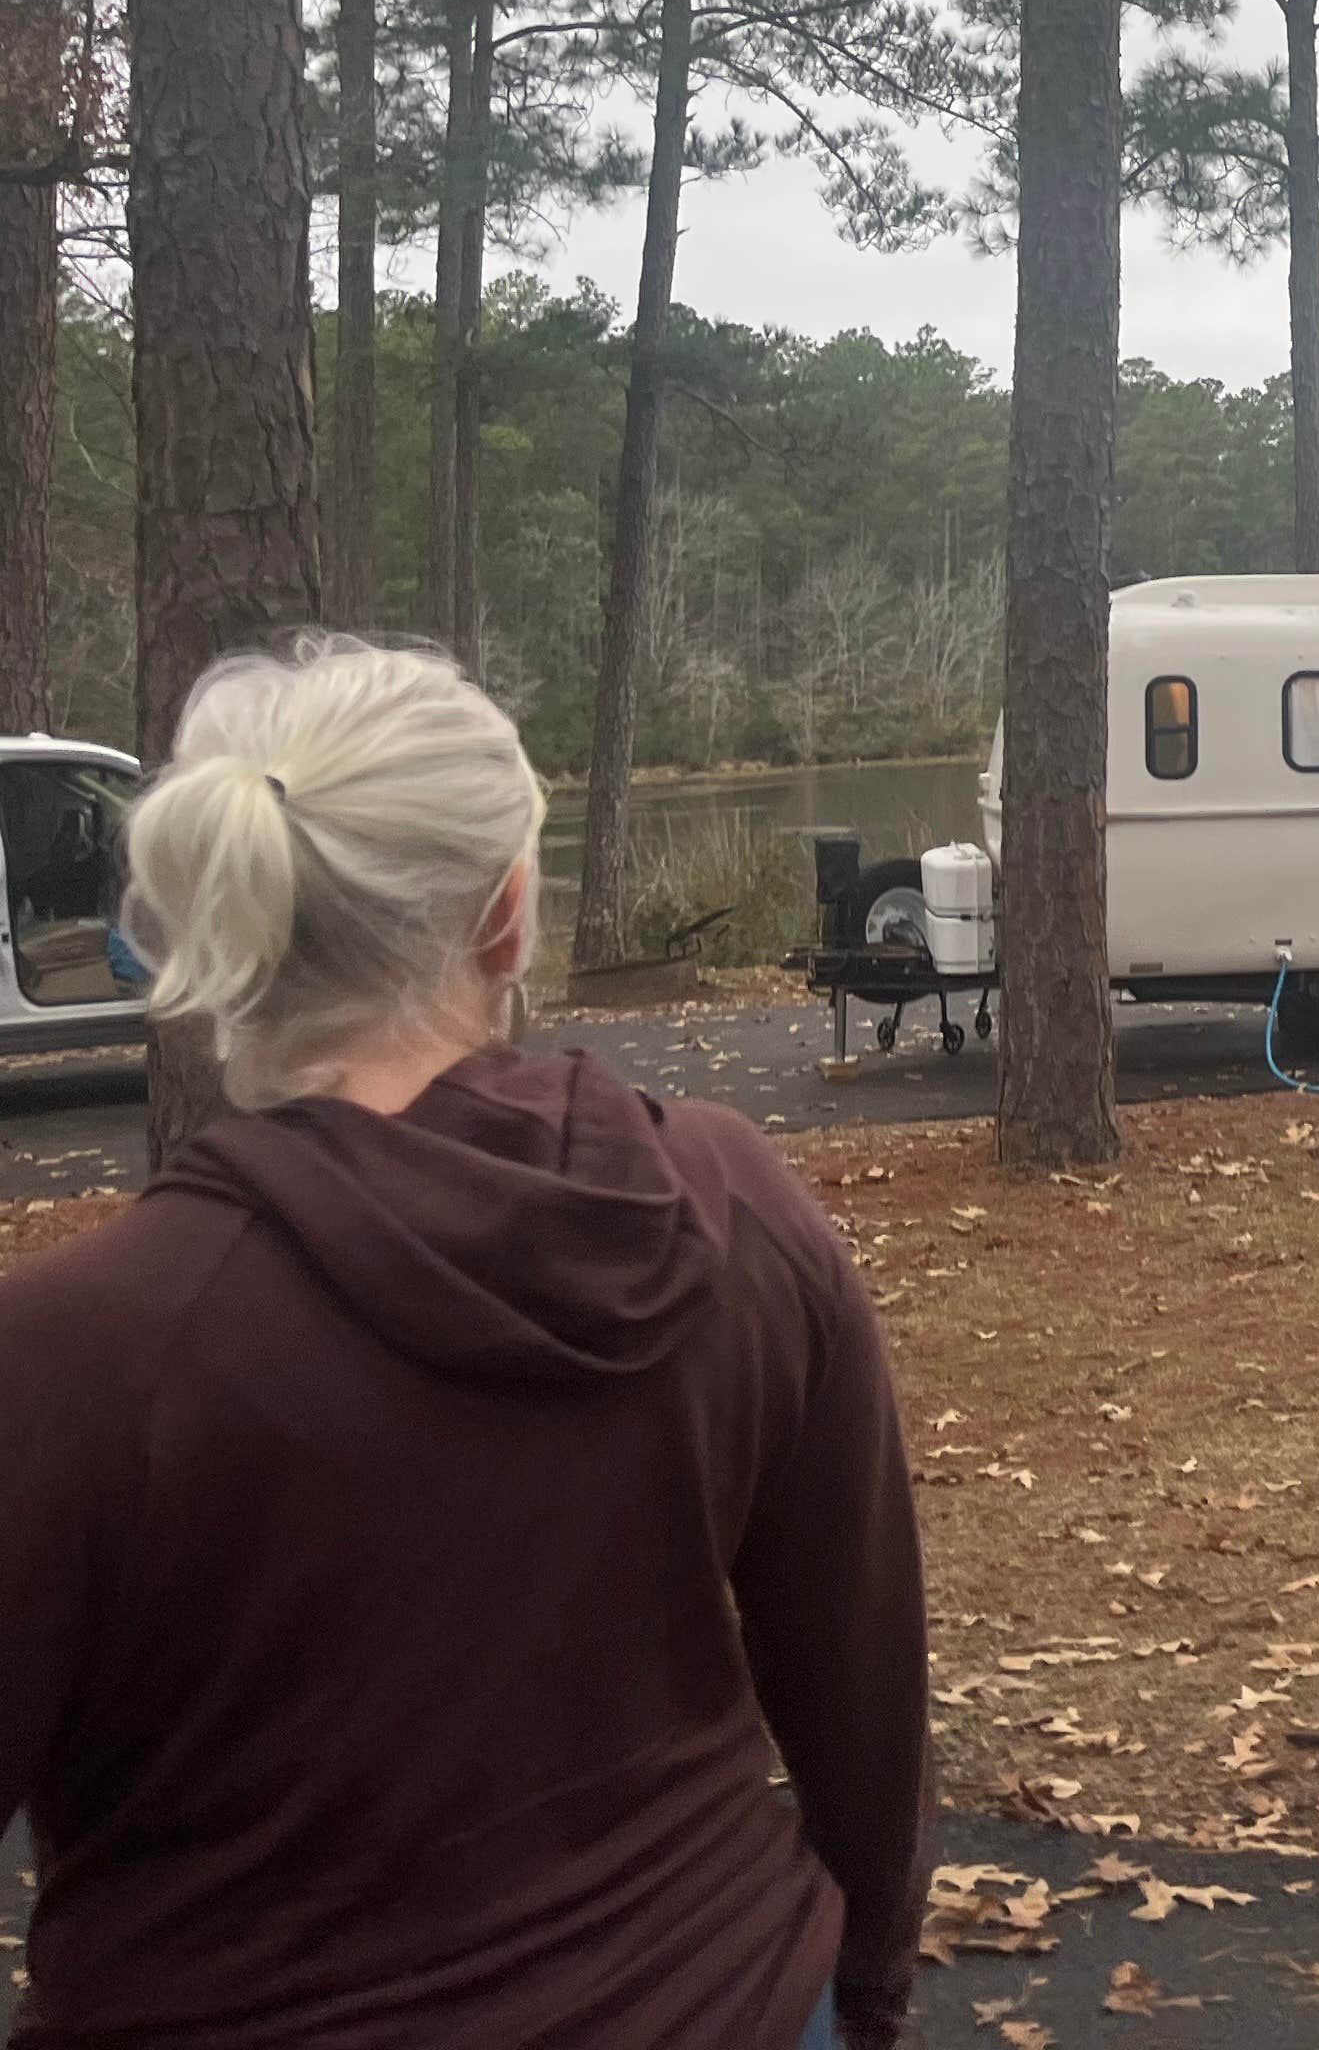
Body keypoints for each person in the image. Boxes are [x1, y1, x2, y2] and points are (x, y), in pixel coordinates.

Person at [0, 639, 928, 2049]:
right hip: (729, 1998)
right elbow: (863, 1696)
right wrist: (864, 1991)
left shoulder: (83, 1352)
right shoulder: (740, 1211)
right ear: (507, 919)